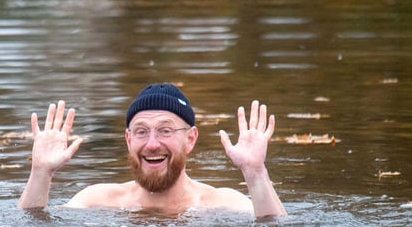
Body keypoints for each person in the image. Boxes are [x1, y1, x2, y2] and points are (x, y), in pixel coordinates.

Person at [18, 83, 287, 218]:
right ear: (128, 139)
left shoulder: (221, 204)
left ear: (190, 139)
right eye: (141, 131)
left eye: (166, 130)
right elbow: (30, 226)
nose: (152, 144)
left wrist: (255, 173)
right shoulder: (97, 200)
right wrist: (40, 173)